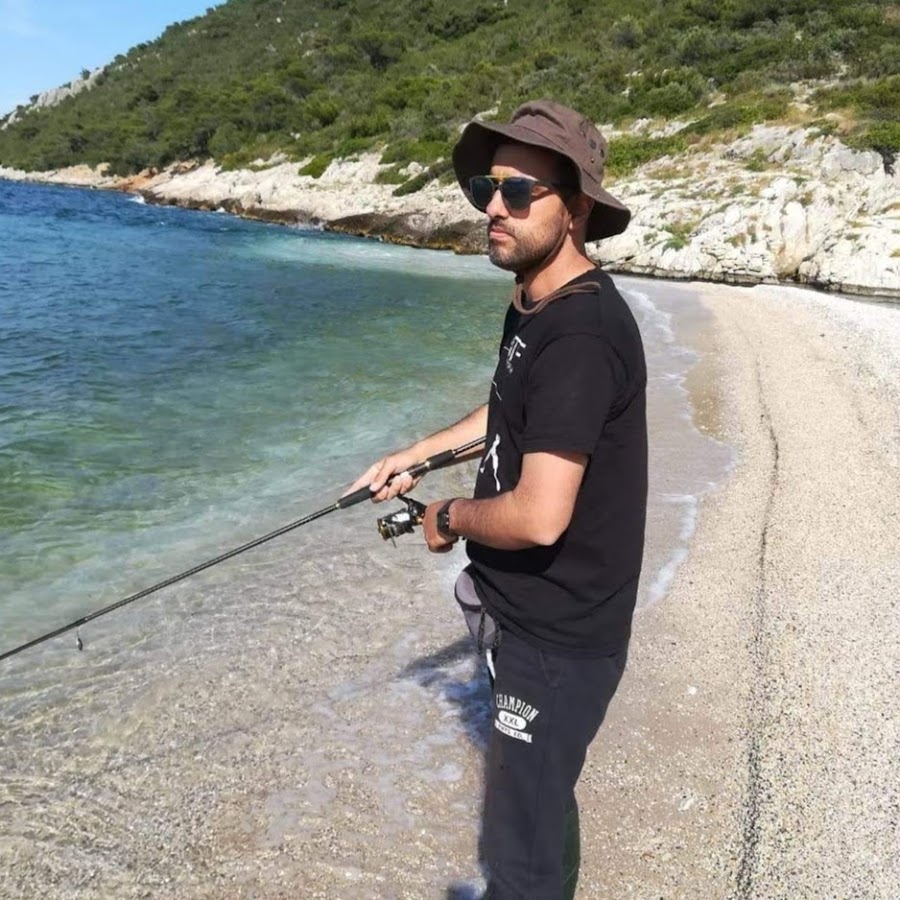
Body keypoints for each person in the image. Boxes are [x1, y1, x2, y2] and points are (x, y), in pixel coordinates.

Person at [349, 100, 647, 899]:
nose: (493, 208)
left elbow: (540, 516)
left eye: (519, 192)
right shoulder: (537, 300)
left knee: (521, 846)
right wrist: (416, 455)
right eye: (488, 187)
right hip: (528, 617)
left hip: (559, 634)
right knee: (537, 797)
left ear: (575, 208)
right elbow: (513, 411)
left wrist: (447, 517)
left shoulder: (581, 334)